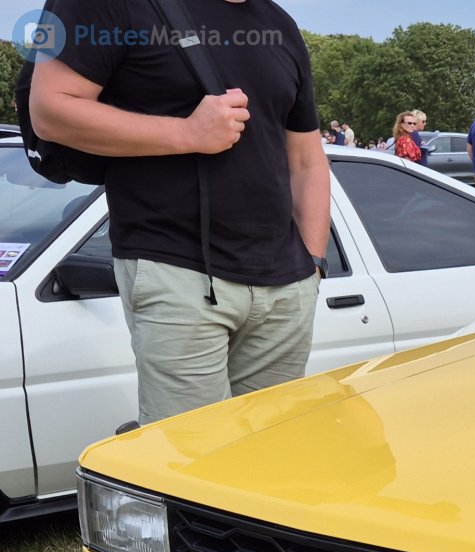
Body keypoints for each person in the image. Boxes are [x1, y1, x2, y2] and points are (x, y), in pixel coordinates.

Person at [29, 0, 330, 428]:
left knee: (270, 458)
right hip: (177, 271)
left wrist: (312, 266)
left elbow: (306, 157)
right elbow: (50, 110)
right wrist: (187, 133)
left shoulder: (279, 23)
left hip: (286, 287)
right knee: (190, 461)